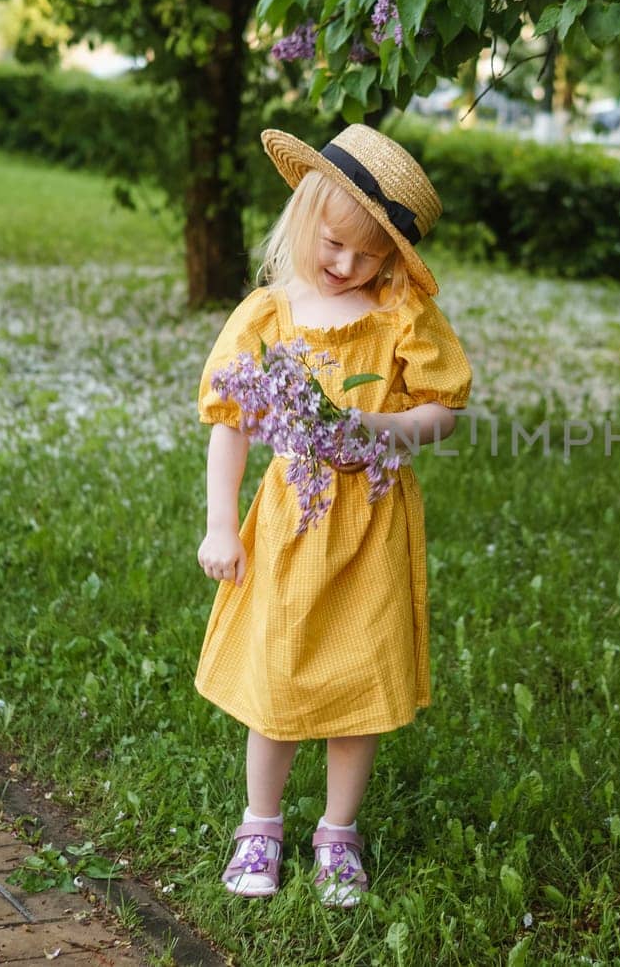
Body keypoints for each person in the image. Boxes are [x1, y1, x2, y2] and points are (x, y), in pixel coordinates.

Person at [193, 124, 473, 907]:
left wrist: (385, 428)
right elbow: (231, 423)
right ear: (304, 215)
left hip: (374, 521)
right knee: (281, 670)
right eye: (334, 243)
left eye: (367, 254)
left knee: (362, 674)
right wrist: (221, 523)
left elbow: (443, 409)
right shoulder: (269, 313)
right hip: (293, 519)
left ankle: (339, 833)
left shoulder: (400, 314)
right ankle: (261, 823)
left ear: (391, 259)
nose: (345, 264)